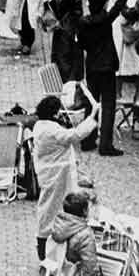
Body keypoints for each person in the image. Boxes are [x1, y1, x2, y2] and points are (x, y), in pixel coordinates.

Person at [32, 95, 99, 264]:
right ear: (54, 113)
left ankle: (54, 244)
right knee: (51, 209)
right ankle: (45, 246)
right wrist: (92, 118)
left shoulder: (42, 126)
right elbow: (74, 135)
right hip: (56, 176)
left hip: (54, 175)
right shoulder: (51, 130)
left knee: (52, 207)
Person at [76, 0, 133, 156]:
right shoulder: (105, 19)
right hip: (107, 67)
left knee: (91, 104)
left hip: (92, 66)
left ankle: (87, 139)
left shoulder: (83, 22)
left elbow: (82, 44)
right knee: (108, 105)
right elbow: (118, 5)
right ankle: (106, 144)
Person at [48, 191, 101, 276]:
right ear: (85, 211)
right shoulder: (86, 234)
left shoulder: (57, 224)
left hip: (57, 270)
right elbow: (90, 268)